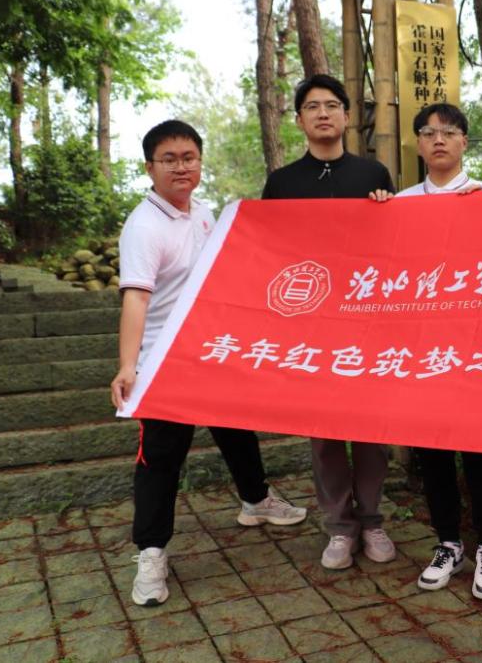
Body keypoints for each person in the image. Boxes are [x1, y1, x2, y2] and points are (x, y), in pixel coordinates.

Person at [111, 120, 307, 607]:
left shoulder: (202, 213)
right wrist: (128, 365)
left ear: (199, 162)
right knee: (160, 459)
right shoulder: (144, 226)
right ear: (150, 168)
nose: (181, 167)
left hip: (209, 348)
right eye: (169, 159)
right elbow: (136, 298)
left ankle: (256, 501)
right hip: (164, 361)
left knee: (236, 425)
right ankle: (151, 553)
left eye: (189, 157)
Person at [261, 74, 397, 570]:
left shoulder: (373, 174)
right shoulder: (281, 184)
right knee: (324, 432)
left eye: (332, 105)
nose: (323, 113)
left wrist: (387, 210)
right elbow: (270, 255)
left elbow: (396, 248)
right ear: (299, 120)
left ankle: (373, 519)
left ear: (346, 116)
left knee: (372, 428)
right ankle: (339, 526)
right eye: (313, 106)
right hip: (311, 326)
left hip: (368, 321)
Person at [395, 103, 482, 600]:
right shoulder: (400, 204)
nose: (438, 139)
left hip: (476, 349)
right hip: (422, 352)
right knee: (433, 453)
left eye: (449, 132)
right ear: (418, 143)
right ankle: (448, 544)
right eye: (428, 132)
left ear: (464, 142)